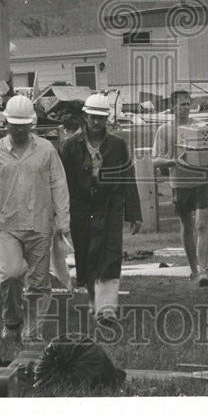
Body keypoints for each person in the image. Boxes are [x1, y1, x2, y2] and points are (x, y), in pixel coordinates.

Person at [0, 94, 70, 343]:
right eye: (13, 125)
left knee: (39, 283)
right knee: (11, 274)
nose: (17, 130)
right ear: (5, 123)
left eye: (23, 125)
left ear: (32, 125)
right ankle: (13, 320)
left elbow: (58, 185)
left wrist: (62, 220)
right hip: (6, 225)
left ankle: (33, 332)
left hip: (40, 224)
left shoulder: (46, 150)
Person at [59, 92, 142, 326]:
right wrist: (61, 214)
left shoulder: (117, 145)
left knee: (110, 255)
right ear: (85, 116)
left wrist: (134, 214)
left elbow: (128, 177)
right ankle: (95, 301)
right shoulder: (70, 146)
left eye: (101, 118)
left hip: (110, 205)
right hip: (81, 207)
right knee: (86, 256)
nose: (97, 122)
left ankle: (106, 310)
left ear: (107, 119)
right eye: (93, 117)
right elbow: (62, 183)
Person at [152, 89, 208, 287]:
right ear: (172, 107)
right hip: (179, 184)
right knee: (187, 226)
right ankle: (194, 269)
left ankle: (203, 271)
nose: (186, 108)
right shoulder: (164, 131)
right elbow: (155, 160)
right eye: (182, 104)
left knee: (202, 224)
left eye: (188, 104)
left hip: (202, 182)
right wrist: (173, 162)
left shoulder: (200, 127)